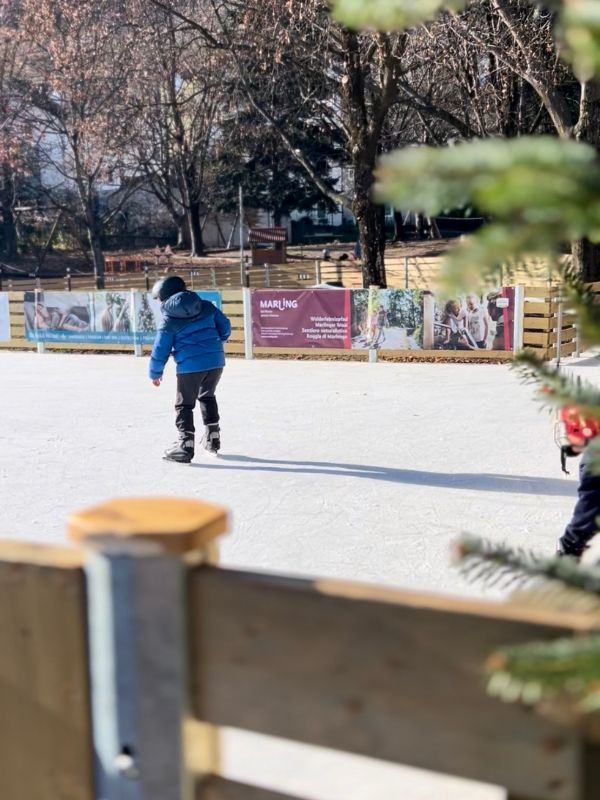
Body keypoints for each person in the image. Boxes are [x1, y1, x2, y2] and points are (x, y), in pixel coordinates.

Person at [149, 275, 231, 463]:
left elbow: (161, 349)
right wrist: (219, 341)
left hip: (190, 367)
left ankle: (185, 445)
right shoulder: (207, 306)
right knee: (207, 396)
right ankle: (212, 438)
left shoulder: (169, 320)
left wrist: (155, 372)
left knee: (184, 404)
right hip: (216, 362)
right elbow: (225, 325)